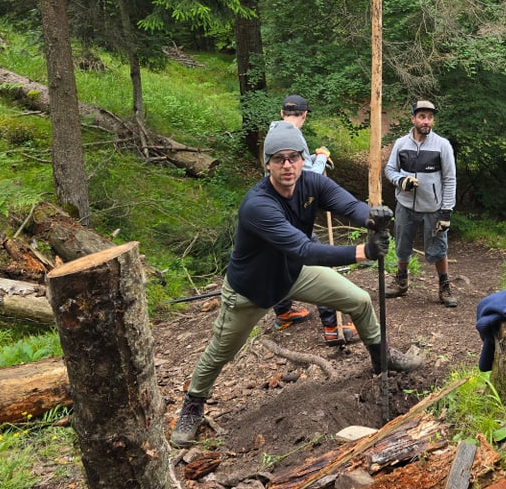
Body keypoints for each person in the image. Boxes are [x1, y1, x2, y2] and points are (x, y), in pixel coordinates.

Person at [170, 121, 424, 447]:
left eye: (293, 157)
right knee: (220, 353)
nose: (287, 165)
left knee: (359, 301)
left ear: (303, 159)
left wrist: (372, 217)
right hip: (251, 292)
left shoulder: (312, 184)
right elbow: (303, 248)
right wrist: (362, 251)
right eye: (279, 159)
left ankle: (381, 357)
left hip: (293, 274)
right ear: (268, 164)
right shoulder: (257, 205)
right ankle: (193, 404)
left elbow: (348, 205)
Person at [268, 95, 354, 347]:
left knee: (278, 262)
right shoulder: (294, 138)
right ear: (305, 114)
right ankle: (332, 326)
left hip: (272, 216)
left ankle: (283, 312)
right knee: (320, 265)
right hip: (291, 217)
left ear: (282, 113)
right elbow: (306, 178)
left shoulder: (273, 134)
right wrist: (320, 158)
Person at [384, 99, 458, 307]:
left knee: (438, 248)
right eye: (422, 117)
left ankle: (444, 285)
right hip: (405, 205)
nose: (426, 121)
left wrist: (446, 212)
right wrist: (401, 181)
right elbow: (390, 170)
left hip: (433, 208)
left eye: (430, 117)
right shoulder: (400, 144)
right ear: (413, 118)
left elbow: (450, 179)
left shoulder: (442, 145)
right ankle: (401, 280)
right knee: (402, 245)